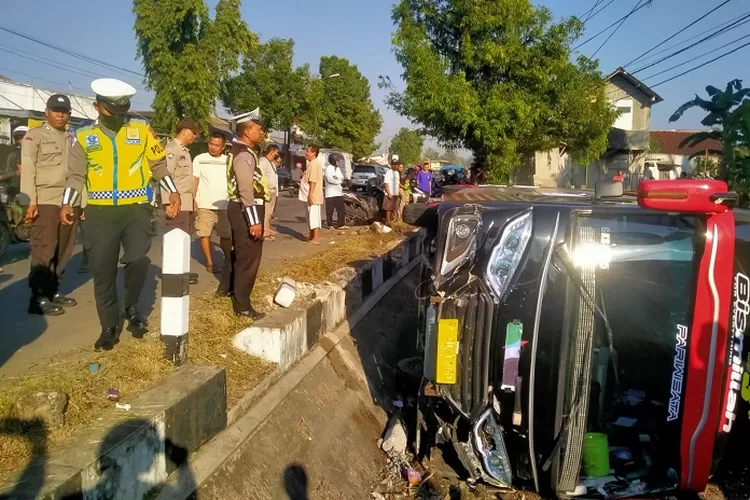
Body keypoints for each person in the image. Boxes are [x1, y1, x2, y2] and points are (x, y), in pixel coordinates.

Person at [60, 78, 181, 351]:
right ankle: (109, 326)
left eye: (123, 112)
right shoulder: (81, 137)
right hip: (100, 213)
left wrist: (173, 193)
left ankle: (131, 305)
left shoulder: (142, 131)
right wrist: (67, 203)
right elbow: (75, 176)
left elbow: (158, 166)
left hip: (136, 209)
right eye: (113, 112)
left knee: (138, 260)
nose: (119, 117)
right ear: (97, 107)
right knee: (102, 271)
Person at [18, 95, 80, 316]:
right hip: (44, 200)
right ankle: (38, 297)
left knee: (64, 249)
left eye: (64, 111)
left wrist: (83, 203)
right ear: (47, 112)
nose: (60, 114)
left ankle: (53, 290)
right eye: (56, 110)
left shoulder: (73, 138)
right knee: (44, 249)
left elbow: (80, 172)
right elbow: (28, 170)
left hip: (69, 201)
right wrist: (30, 202)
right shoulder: (34, 137)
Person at [225, 112, 268, 320]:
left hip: (244, 209)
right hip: (246, 210)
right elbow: (245, 191)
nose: (261, 133)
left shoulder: (244, 151)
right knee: (248, 259)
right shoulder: (243, 155)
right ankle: (242, 306)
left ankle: (237, 296)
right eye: (258, 129)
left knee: (245, 256)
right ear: (247, 130)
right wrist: (254, 221)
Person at [192, 132, 231, 277]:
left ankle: (228, 259)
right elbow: (195, 180)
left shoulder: (228, 161)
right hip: (204, 205)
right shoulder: (199, 159)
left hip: (224, 205)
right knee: (204, 234)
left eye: (217, 145)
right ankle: (209, 263)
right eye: (211, 144)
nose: (213, 147)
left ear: (223, 147)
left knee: (226, 236)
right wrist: (193, 200)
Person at [303, 145, 324, 244]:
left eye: (308, 151)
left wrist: (310, 195)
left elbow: (313, 181)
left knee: (314, 216)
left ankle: (316, 238)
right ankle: (312, 236)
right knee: (309, 216)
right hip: (310, 194)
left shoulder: (315, 164)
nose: (306, 153)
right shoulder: (311, 164)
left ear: (314, 153)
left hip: (314, 195)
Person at [259, 144, 280, 240]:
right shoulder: (263, 161)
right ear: (272, 152)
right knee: (266, 213)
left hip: (273, 190)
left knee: (270, 213)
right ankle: (264, 233)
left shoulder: (270, 162)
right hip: (267, 191)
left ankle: (267, 230)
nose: (277, 154)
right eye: (276, 152)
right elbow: (260, 176)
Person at [1, 126, 28, 197]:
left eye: (23, 137)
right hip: (12, 190)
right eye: (17, 138)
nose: (20, 140)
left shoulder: (36, 153)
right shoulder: (11, 154)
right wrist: (15, 173)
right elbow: (5, 172)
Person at [324, 154, 347, 229]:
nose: (339, 163)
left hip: (338, 193)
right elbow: (331, 179)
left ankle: (341, 224)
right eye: (338, 161)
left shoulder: (338, 169)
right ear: (334, 161)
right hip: (330, 193)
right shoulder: (329, 169)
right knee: (330, 211)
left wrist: (340, 180)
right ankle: (330, 224)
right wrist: (339, 181)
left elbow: (341, 177)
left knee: (341, 210)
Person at [383, 158, 401, 227]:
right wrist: (389, 193)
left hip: (395, 193)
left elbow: (398, 183)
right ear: (391, 165)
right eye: (394, 164)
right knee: (388, 208)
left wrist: (398, 192)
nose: (395, 166)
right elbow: (386, 184)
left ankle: (391, 221)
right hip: (390, 193)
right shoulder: (389, 172)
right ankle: (388, 222)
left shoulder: (397, 173)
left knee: (393, 208)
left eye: (396, 165)